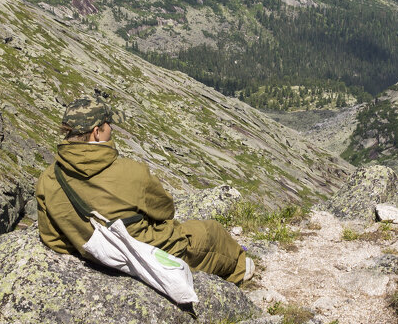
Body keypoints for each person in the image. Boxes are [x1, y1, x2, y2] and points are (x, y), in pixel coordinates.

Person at [36, 96, 252, 286]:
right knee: (209, 232)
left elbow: (51, 237)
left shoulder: (48, 178)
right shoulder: (130, 172)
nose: (111, 129)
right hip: (148, 252)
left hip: (99, 254)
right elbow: (165, 210)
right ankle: (241, 272)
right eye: (108, 124)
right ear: (96, 132)